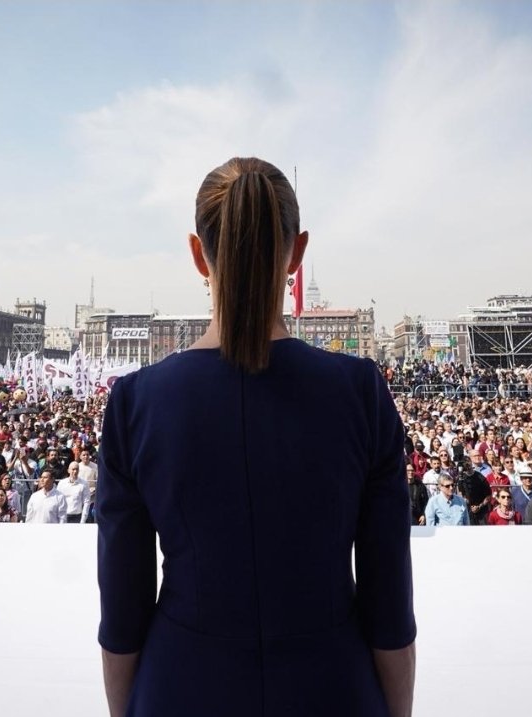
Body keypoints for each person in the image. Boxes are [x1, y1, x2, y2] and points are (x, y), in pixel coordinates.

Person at [98, 159, 415, 717]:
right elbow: (389, 610)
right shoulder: (360, 393)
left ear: (199, 254)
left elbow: (122, 618)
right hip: (333, 687)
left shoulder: (136, 403)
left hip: (181, 686)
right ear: (297, 253)